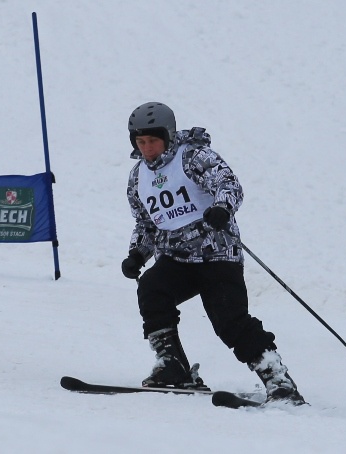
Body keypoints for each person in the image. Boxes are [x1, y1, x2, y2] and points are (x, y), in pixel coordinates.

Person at [120, 101, 305, 404]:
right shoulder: (137, 176)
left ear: (167, 135)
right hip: (177, 258)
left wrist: (222, 207)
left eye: (152, 140)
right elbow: (146, 223)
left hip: (216, 254)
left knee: (229, 321)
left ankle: (279, 382)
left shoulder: (193, 156)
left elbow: (228, 184)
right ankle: (172, 366)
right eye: (140, 142)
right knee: (152, 288)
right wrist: (137, 254)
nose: (147, 148)